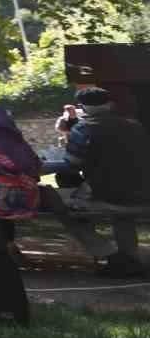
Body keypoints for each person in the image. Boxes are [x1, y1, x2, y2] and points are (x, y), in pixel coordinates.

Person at [51, 87, 150, 277]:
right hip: (143, 194)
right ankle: (129, 259)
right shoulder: (135, 126)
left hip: (108, 196)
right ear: (110, 104)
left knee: (63, 208)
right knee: (122, 214)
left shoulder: (83, 128)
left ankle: (112, 254)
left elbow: (71, 164)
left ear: (83, 107)